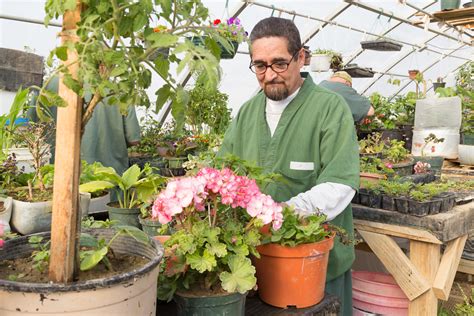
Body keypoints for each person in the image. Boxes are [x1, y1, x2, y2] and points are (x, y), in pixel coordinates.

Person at [218, 17, 359, 315]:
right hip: (255, 265)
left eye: (280, 63)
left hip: (316, 268)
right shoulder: (246, 114)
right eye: (260, 65)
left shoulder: (329, 108)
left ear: (301, 57)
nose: (270, 75)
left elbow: (340, 184)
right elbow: (223, 176)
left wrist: (280, 215)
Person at [28, 76, 141, 176]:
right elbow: (133, 139)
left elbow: (30, 130)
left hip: (57, 177)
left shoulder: (45, 86)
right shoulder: (119, 90)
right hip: (108, 177)